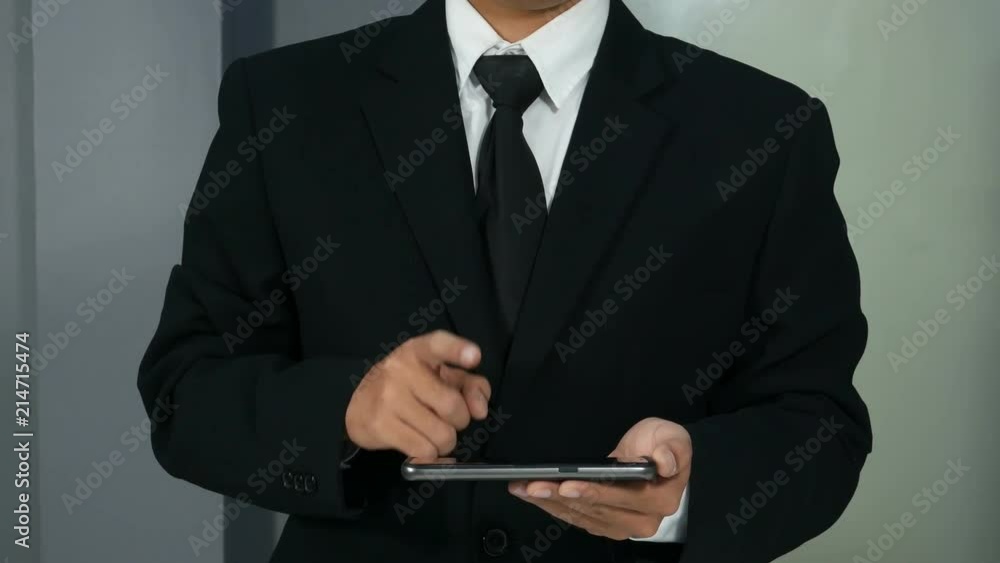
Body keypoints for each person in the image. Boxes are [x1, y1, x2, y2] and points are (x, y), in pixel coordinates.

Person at [138, 0, 872, 561]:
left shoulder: (766, 130)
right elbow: (186, 390)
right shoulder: (284, 102)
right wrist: (346, 407)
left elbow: (820, 424)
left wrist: (690, 490)